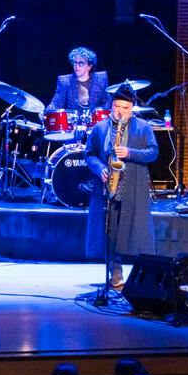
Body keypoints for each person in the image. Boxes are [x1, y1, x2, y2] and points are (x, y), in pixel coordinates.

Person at [80, 83, 159, 291]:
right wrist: (99, 169)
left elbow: (153, 153)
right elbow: (89, 154)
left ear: (131, 108)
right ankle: (115, 272)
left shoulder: (143, 127)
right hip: (108, 185)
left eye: (124, 107)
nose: (120, 111)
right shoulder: (100, 128)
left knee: (137, 231)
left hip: (133, 185)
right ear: (111, 106)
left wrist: (130, 153)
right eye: (116, 106)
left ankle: (144, 278)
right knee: (110, 231)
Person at [45, 46, 111, 121]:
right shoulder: (65, 81)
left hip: (94, 124)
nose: (76, 66)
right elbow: (56, 103)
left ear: (89, 66)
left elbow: (107, 103)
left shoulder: (100, 79)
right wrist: (46, 113)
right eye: (75, 63)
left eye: (81, 63)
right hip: (72, 124)